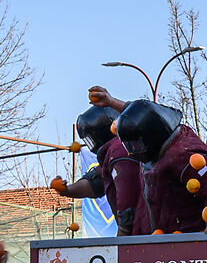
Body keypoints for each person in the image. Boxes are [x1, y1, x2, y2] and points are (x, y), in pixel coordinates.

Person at [115, 100, 207, 236]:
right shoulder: (156, 151)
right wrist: (111, 102)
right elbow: (141, 109)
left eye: (137, 145)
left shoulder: (184, 157)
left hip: (184, 244)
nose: (133, 152)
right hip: (158, 241)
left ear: (153, 136)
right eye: (130, 146)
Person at [56, 97, 146, 236]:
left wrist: (123, 235)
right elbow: (95, 182)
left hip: (144, 234)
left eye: (91, 138)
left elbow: (128, 203)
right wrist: (66, 190)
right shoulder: (114, 153)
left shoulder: (119, 150)